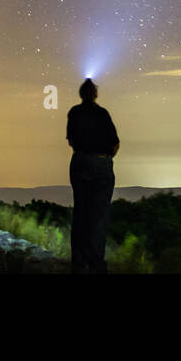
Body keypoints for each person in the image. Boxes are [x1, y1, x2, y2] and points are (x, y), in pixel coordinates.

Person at [66, 78, 119, 273]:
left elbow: (71, 141)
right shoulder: (102, 114)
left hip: (80, 163)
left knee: (81, 212)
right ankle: (96, 262)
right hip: (101, 164)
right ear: (95, 94)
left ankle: (78, 263)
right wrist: (104, 159)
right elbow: (115, 143)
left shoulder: (74, 113)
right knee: (99, 214)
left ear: (81, 94)